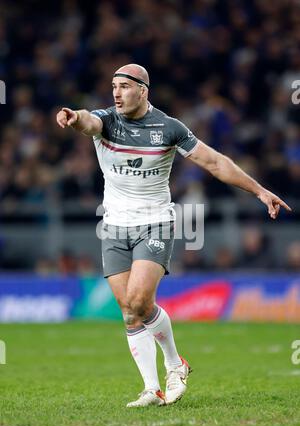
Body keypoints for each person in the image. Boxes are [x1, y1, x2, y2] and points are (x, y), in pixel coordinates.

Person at [56, 64, 291, 407]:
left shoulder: (168, 128)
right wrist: (71, 115)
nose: (116, 93)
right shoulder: (105, 120)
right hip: (114, 225)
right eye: (113, 87)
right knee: (128, 310)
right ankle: (152, 388)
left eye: (124, 86)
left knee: (139, 300)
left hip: (155, 223)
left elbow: (214, 162)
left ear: (143, 90)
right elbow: (85, 120)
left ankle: (174, 363)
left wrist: (258, 191)